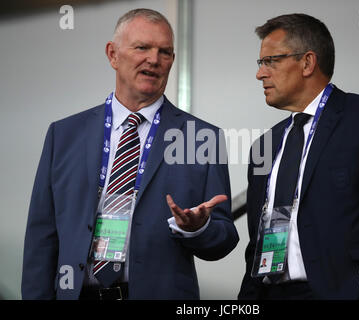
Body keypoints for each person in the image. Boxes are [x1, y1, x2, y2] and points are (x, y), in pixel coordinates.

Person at [22, 8, 238, 300]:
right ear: (113, 54)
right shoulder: (64, 135)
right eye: (142, 48)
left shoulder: (202, 138)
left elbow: (224, 239)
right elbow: (41, 238)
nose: (154, 59)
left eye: (165, 52)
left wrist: (198, 229)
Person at [238, 13, 359, 300]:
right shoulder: (266, 144)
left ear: (307, 62)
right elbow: (258, 244)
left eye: (270, 61)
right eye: (260, 63)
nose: (260, 73)